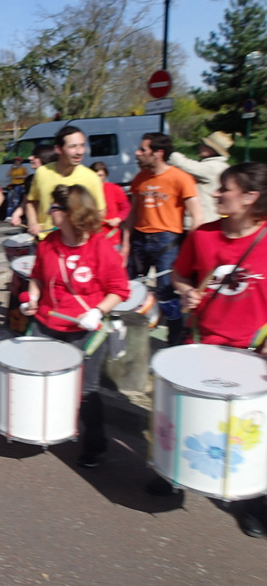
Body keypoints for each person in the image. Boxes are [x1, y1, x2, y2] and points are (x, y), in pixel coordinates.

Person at [148, 162, 267, 537]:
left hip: (252, 350)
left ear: (250, 197)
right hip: (202, 343)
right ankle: (171, 474)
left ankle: (252, 501)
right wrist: (186, 291)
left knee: (252, 431)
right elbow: (181, 274)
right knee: (180, 414)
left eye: (224, 189)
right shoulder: (203, 236)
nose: (215, 195)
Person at [22, 184, 130, 467]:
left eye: (55, 208)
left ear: (72, 213)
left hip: (84, 332)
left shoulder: (99, 247)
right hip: (47, 325)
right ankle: (49, 428)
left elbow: (119, 289)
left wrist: (97, 311)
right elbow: (36, 276)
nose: (49, 212)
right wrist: (32, 297)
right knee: (44, 380)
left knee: (86, 391)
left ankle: (95, 445)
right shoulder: (47, 243)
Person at [122, 132, 203, 346]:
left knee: (167, 292)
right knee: (127, 288)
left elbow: (197, 216)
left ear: (158, 153)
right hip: (140, 239)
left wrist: (190, 249)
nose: (137, 153)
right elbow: (132, 214)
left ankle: (174, 340)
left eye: (142, 150)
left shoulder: (181, 178)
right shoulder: (140, 178)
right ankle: (127, 334)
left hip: (167, 241)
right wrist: (125, 245)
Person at [25, 126, 106, 238]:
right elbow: (31, 202)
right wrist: (33, 222)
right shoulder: (42, 173)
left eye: (82, 145)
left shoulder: (92, 178)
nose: (79, 152)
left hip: (77, 245)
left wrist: (85, 231)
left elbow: (100, 211)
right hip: (45, 241)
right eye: (72, 146)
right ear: (58, 149)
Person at [169, 131, 232, 227]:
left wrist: (169, 152)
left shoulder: (213, 167)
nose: (200, 147)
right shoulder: (216, 165)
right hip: (207, 219)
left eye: (205, 145)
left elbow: (186, 165)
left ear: (214, 150)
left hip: (203, 221)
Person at [9, 145, 58, 227]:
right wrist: (16, 215)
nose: (30, 158)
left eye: (35, 156)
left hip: (56, 226)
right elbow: (26, 201)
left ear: (45, 158)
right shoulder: (30, 179)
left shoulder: (60, 177)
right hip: (37, 227)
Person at [90, 161, 130, 251]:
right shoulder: (86, 193)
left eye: (100, 175)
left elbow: (126, 207)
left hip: (112, 238)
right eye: (94, 175)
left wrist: (117, 219)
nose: (97, 178)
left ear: (105, 175)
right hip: (93, 239)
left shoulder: (114, 189)